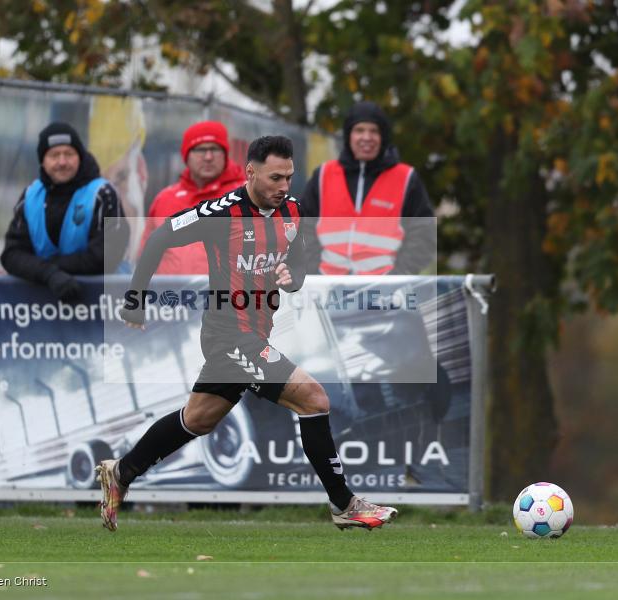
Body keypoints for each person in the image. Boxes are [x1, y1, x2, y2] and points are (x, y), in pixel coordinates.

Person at [96, 135, 398, 531]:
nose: (284, 186)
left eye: (289, 177)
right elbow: (159, 236)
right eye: (275, 177)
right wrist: (134, 300)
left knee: (198, 419)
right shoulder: (221, 213)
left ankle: (120, 472)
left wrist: (292, 278)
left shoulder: (293, 211)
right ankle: (344, 504)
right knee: (314, 398)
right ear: (250, 171)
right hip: (229, 335)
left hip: (257, 332)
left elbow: (299, 263)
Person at [301, 101, 434, 275]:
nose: (366, 137)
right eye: (359, 130)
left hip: (385, 294)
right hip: (327, 290)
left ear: (383, 137)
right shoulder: (324, 175)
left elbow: (424, 236)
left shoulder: (406, 178)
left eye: (374, 131)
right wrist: (316, 271)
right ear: (349, 135)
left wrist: (396, 277)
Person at [0, 122, 128, 301]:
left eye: (69, 154)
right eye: (54, 155)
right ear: (43, 161)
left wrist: (52, 267)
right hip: (40, 307)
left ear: (80, 157)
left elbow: (107, 256)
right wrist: (49, 274)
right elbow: (12, 255)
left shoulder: (103, 194)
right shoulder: (30, 196)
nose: (62, 162)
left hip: (102, 306)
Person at [140, 120, 245, 274]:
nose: (208, 157)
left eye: (215, 149)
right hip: (171, 295)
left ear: (225, 155)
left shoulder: (248, 195)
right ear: (186, 155)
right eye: (200, 149)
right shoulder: (165, 198)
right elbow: (146, 255)